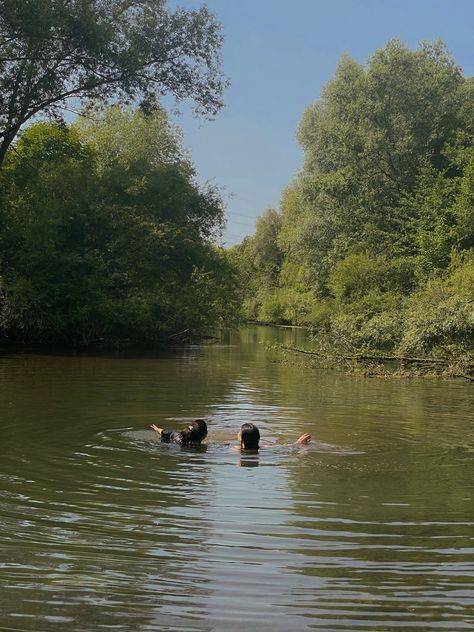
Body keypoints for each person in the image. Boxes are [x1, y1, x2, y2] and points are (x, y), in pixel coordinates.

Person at [237, 422, 311, 451]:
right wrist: (298, 442)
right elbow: (286, 446)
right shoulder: (265, 447)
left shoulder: (235, 450)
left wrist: (241, 441)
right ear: (259, 438)